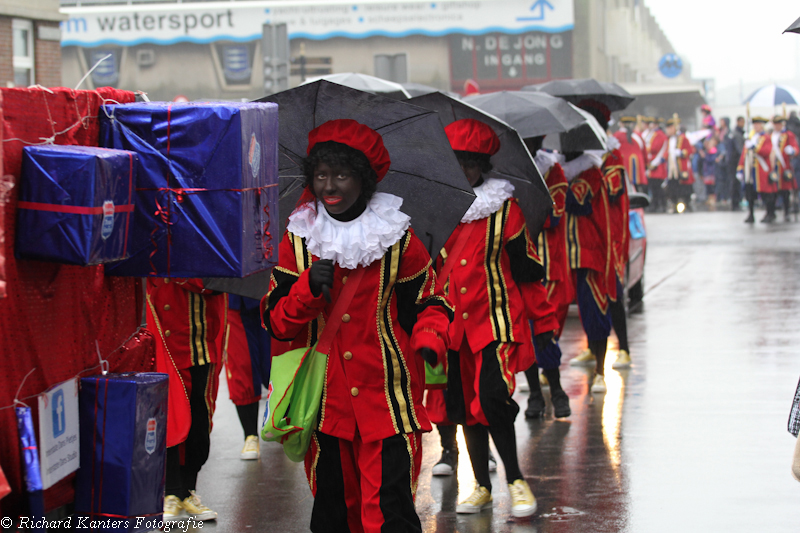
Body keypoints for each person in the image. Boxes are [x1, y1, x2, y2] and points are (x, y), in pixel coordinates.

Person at [263, 119, 452, 532]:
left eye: (342, 175)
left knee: (390, 515)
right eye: (321, 174)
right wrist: (306, 290)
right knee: (334, 517)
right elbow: (276, 324)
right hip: (326, 408)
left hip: (388, 402)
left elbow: (429, 302)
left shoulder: (396, 237)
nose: (329, 185)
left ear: (363, 180)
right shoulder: (299, 239)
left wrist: (429, 337)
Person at [438, 119, 551, 518]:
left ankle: (517, 480)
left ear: (482, 165)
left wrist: (545, 318)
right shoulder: (440, 210)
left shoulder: (506, 210)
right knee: (467, 407)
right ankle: (482, 487)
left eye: (470, 163)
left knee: (492, 398)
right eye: (457, 163)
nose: (464, 170)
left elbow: (526, 267)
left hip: (497, 321)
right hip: (454, 328)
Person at [147, 278, 226, 522]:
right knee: (167, 416)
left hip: (200, 339)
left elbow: (218, 280)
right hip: (164, 336)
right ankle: (170, 492)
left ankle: (188, 490)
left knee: (199, 420)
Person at [522, 137, 574, 419]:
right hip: (517, 263)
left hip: (545, 265)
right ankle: (534, 393)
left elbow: (553, 216)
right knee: (524, 334)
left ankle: (556, 390)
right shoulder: (507, 170)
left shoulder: (553, 172)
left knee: (544, 332)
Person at [224, 295, 271, 460]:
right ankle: (250, 434)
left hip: (268, 293)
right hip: (234, 298)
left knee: (275, 362)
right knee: (241, 364)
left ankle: (285, 426)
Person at [737, 116, 775, 223]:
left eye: (758, 124)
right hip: (750, 170)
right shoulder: (751, 137)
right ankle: (751, 214)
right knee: (749, 193)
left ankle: (769, 213)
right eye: (754, 124)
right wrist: (740, 168)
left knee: (766, 193)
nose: (756, 126)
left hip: (761, 169)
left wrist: (754, 147)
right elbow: (744, 155)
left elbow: (766, 151)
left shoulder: (766, 137)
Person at [770, 115, 799, 221]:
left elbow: (796, 148)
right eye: (775, 124)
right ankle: (771, 211)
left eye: (779, 124)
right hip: (773, 166)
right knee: (772, 192)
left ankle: (786, 211)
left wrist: (792, 151)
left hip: (784, 166)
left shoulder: (788, 135)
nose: (777, 126)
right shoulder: (771, 135)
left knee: (785, 191)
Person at [664, 117, 695, 212]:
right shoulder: (669, 140)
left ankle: (685, 203)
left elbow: (690, 150)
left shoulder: (683, 138)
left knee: (684, 186)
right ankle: (674, 203)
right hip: (672, 168)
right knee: (672, 186)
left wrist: (681, 152)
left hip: (681, 167)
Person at [614, 116, 648, 194]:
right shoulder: (638, 136)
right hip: (637, 166)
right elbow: (644, 152)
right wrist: (646, 165)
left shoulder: (616, 136)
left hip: (624, 165)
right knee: (637, 187)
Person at [645, 117, 669, 212]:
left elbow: (654, 148)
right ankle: (654, 205)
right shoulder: (651, 134)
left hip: (657, 165)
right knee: (653, 187)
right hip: (651, 164)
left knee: (658, 187)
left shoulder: (660, 135)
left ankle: (661, 205)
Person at [728, 117, 746, 210]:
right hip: (736, 161)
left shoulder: (735, 133)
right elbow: (740, 150)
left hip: (733, 161)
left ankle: (735, 202)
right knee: (735, 183)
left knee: (735, 183)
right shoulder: (736, 134)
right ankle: (735, 202)